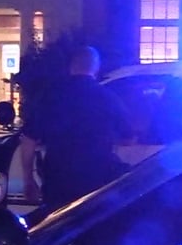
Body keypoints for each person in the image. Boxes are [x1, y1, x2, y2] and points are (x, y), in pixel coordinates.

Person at [18, 45, 134, 213]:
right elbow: (129, 137)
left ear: (71, 66)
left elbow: (28, 140)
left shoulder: (51, 97)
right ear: (96, 67)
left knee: (57, 225)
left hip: (58, 180)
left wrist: (28, 180)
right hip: (96, 179)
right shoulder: (107, 98)